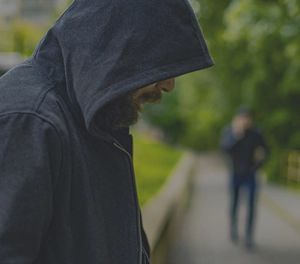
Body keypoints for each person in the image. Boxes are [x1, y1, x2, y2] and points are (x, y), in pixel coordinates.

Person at [0, 0, 214, 263]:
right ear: (117, 43)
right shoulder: (28, 120)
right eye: (159, 63)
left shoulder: (97, 118)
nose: (169, 85)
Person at [220, 106, 267, 248]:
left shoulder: (256, 133)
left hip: (250, 174)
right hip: (235, 173)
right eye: (242, 118)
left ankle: (248, 237)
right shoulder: (230, 131)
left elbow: (265, 149)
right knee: (234, 203)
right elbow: (224, 148)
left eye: (247, 118)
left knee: (251, 205)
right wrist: (236, 134)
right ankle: (233, 230)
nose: (245, 121)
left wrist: (258, 165)